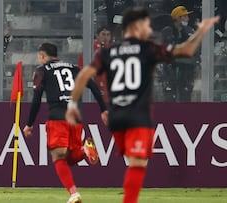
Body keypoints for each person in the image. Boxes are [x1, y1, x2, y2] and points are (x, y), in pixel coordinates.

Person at [65, 7, 219, 203]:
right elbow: (186, 51)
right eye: (145, 24)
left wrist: (72, 106)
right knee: (138, 165)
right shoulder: (148, 49)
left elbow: (84, 75)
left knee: (134, 161)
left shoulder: (108, 52)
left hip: (117, 116)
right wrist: (201, 31)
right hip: (137, 114)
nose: (149, 28)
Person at [23, 43, 108, 203]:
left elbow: (37, 98)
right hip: (76, 117)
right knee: (70, 158)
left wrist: (29, 123)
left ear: (42, 56)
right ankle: (84, 149)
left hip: (58, 116)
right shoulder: (74, 68)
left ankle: (73, 193)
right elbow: (94, 87)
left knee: (58, 157)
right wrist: (103, 109)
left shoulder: (41, 71)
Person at [161, 6, 200, 102]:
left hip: (187, 69)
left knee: (185, 95)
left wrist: (196, 62)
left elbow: (196, 49)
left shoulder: (190, 31)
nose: (188, 19)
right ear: (178, 18)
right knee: (170, 96)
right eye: (185, 16)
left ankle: (185, 115)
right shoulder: (167, 31)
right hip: (172, 68)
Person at [78, 26, 113, 104]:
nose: (106, 37)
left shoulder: (113, 49)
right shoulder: (90, 49)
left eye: (108, 35)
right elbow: (81, 67)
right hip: (95, 84)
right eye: (103, 34)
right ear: (97, 36)